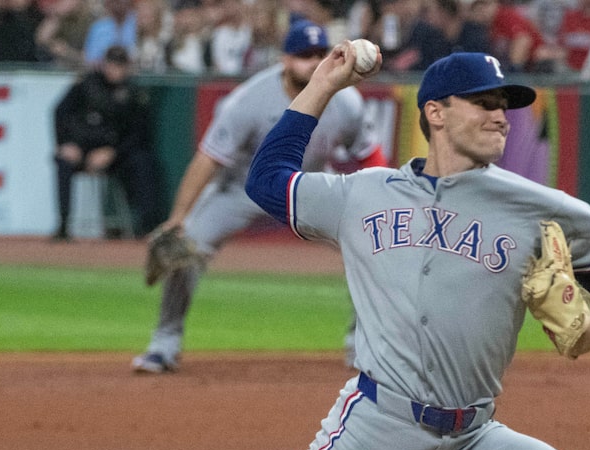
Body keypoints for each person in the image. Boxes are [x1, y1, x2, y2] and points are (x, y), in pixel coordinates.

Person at [8, 48, 590, 450]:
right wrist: (323, 84)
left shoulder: (544, 209)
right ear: (436, 113)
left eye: (506, 105)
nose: (502, 116)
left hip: (473, 443)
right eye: (485, 103)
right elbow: (267, 180)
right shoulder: (362, 195)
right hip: (378, 431)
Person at [129, 19, 385, 374]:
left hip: (308, 187)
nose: (313, 62)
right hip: (243, 189)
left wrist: (381, 206)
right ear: (284, 59)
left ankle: (361, 346)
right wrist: (179, 217)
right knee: (187, 248)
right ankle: (164, 344)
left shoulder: (347, 102)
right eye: (303, 55)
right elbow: (208, 158)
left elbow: (369, 155)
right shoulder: (249, 100)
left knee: (376, 247)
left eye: (318, 53)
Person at [51, 45, 164, 241]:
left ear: (127, 67)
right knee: (63, 161)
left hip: (116, 152)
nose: (114, 70)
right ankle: (63, 225)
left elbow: (138, 133)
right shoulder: (86, 85)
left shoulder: (134, 93)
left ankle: (147, 226)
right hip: (83, 148)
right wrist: (66, 143)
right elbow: (60, 113)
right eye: (111, 64)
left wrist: (113, 152)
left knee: (143, 161)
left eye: (119, 65)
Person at [83, 0, 136, 64]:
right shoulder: (98, 27)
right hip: (103, 68)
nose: (120, 6)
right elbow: (90, 58)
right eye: (117, 2)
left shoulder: (136, 23)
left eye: (124, 2)